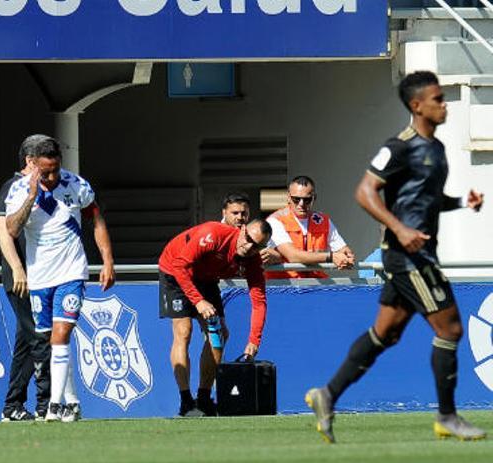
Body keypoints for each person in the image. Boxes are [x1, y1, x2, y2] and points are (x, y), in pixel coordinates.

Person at [306, 71, 486, 443]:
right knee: (450, 328)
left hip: (417, 252)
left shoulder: (434, 147)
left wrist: (459, 203)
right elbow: (364, 192)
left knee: (384, 334)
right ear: (417, 105)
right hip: (408, 257)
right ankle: (447, 417)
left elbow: (424, 201)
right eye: (437, 98)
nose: (444, 104)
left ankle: (327, 395)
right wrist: (400, 229)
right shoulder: (400, 146)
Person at [4, 134, 115, 422]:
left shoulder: (76, 185)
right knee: (52, 341)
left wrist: (107, 260)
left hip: (71, 272)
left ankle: (54, 405)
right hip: (40, 276)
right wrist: (31, 197)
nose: (52, 177)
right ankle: (73, 402)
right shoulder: (18, 190)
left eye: (55, 169)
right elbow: (12, 229)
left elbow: (96, 218)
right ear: (34, 166)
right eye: (46, 171)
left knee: (61, 334)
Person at [159, 218, 271, 417]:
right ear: (242, 229)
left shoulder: (252, 260)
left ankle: (203, 399)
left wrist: (254, 340)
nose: (249, 247)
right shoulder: (213, 235)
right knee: (184, 332)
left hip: (206, 278)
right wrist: (199, 301)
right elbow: (180, 266)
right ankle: (186, 401)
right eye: (248, 239)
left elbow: (259, 301)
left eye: (257, 246)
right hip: (175, 270)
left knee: (218, 333)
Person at [0, 136, 52, 422]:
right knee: (40, 337)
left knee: (26, 343)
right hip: (22, 278)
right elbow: (2, 231)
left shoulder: (45, 189)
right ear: (30, 161)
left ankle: (12, 406)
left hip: (39, 276)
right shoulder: (11, 188)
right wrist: (17, 268)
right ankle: (48, 405)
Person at [266, 176, 355, 278]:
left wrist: (347, 257)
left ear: (314, 198)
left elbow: (342, 249)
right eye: (296, 199)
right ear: (288, 198)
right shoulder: (275, 220)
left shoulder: (323, 220)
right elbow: (293, 256)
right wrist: (331, 257)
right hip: (285, 286)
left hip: (316, 285)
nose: (301, 204)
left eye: (307, 199)